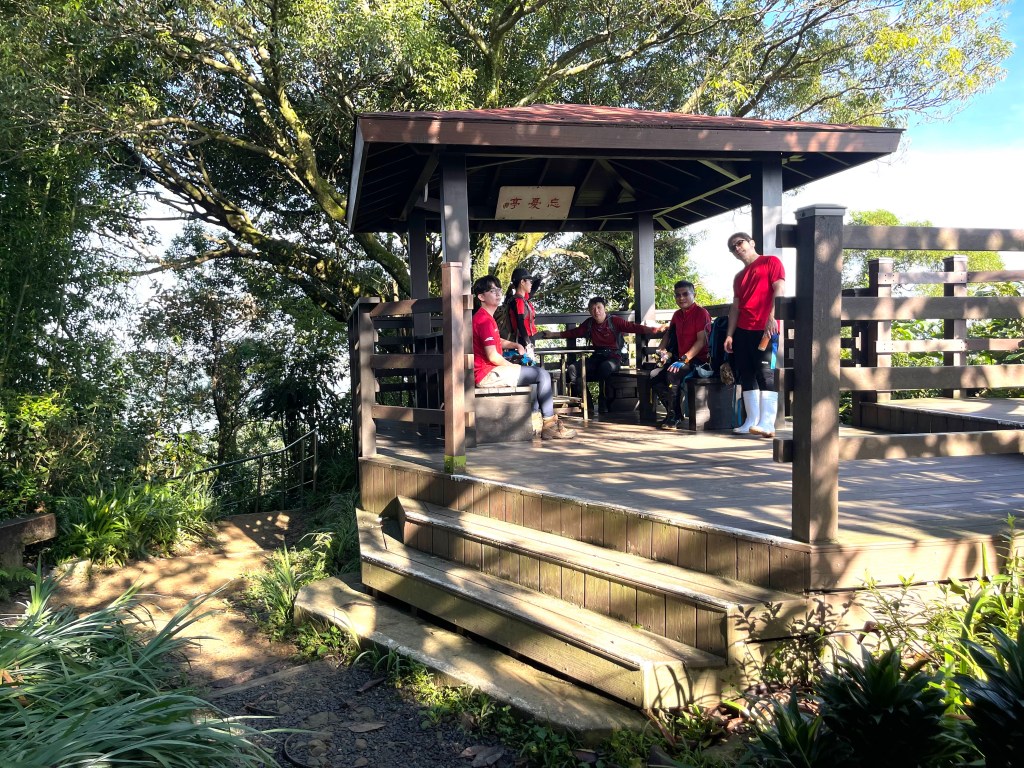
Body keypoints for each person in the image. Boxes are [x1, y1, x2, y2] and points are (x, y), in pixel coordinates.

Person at [472, 275, 576, 440]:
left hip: (488, 371)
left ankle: (535, 421)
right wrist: (512, 366)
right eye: (492, 291)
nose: (498, 293)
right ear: (481, 297)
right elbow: (492, 356)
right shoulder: (484, 320)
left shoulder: (485, 317)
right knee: (542, 375)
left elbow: (495, 340)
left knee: (533, 375)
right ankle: (549, 425)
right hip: (487, 374)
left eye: (499, 289)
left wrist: (515, 345)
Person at [536, 296, 654, 414]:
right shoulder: (589, 323)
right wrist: (553, 334)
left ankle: (603, 401)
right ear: (589, 311)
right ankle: (587, 404)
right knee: (573, 369)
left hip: (613, 357)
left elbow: (633, 327)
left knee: (605, 367)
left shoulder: (614, 321)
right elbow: (574, 332)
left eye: (599, 307)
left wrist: (654, 330)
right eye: (593, 309)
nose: (596, 311)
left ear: (604, 308)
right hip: (597, 357)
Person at [723, 232, 785, 437]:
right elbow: (735, 307)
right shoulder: (738, 277)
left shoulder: (771, 262)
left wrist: (773, 317)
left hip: (766, 329)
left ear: (752, 242)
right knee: (746, 374)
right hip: (742, 330)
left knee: (765, 372)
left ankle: (768, 423)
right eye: (732, 247)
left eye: (739, 243)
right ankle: (751, 420)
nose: (736, 248)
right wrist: (730, 334)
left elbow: (779, 289)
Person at [650, 281, 711, 429]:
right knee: (654, 377)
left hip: (699, 360)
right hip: (680, 360)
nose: (681, 298)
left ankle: (673, 416)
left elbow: (701, 341)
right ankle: (675, 413)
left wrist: (685, 358)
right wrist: (660, 351)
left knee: (672, 374)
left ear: (694, 295)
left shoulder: (701, 313)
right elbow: (668, 335)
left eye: (685, 294)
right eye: (677, 295)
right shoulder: (677, 315)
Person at [504, 267, 540, 358]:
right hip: (522, 340)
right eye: (529, 281)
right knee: (525, 363)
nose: (531, 284)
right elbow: (520, 323)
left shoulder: (523, 298)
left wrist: (539, 279)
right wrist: (528, 343)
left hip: (526, 339)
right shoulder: (518, 301)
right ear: (522, 282)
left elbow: (533, 290)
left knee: (529, 363)